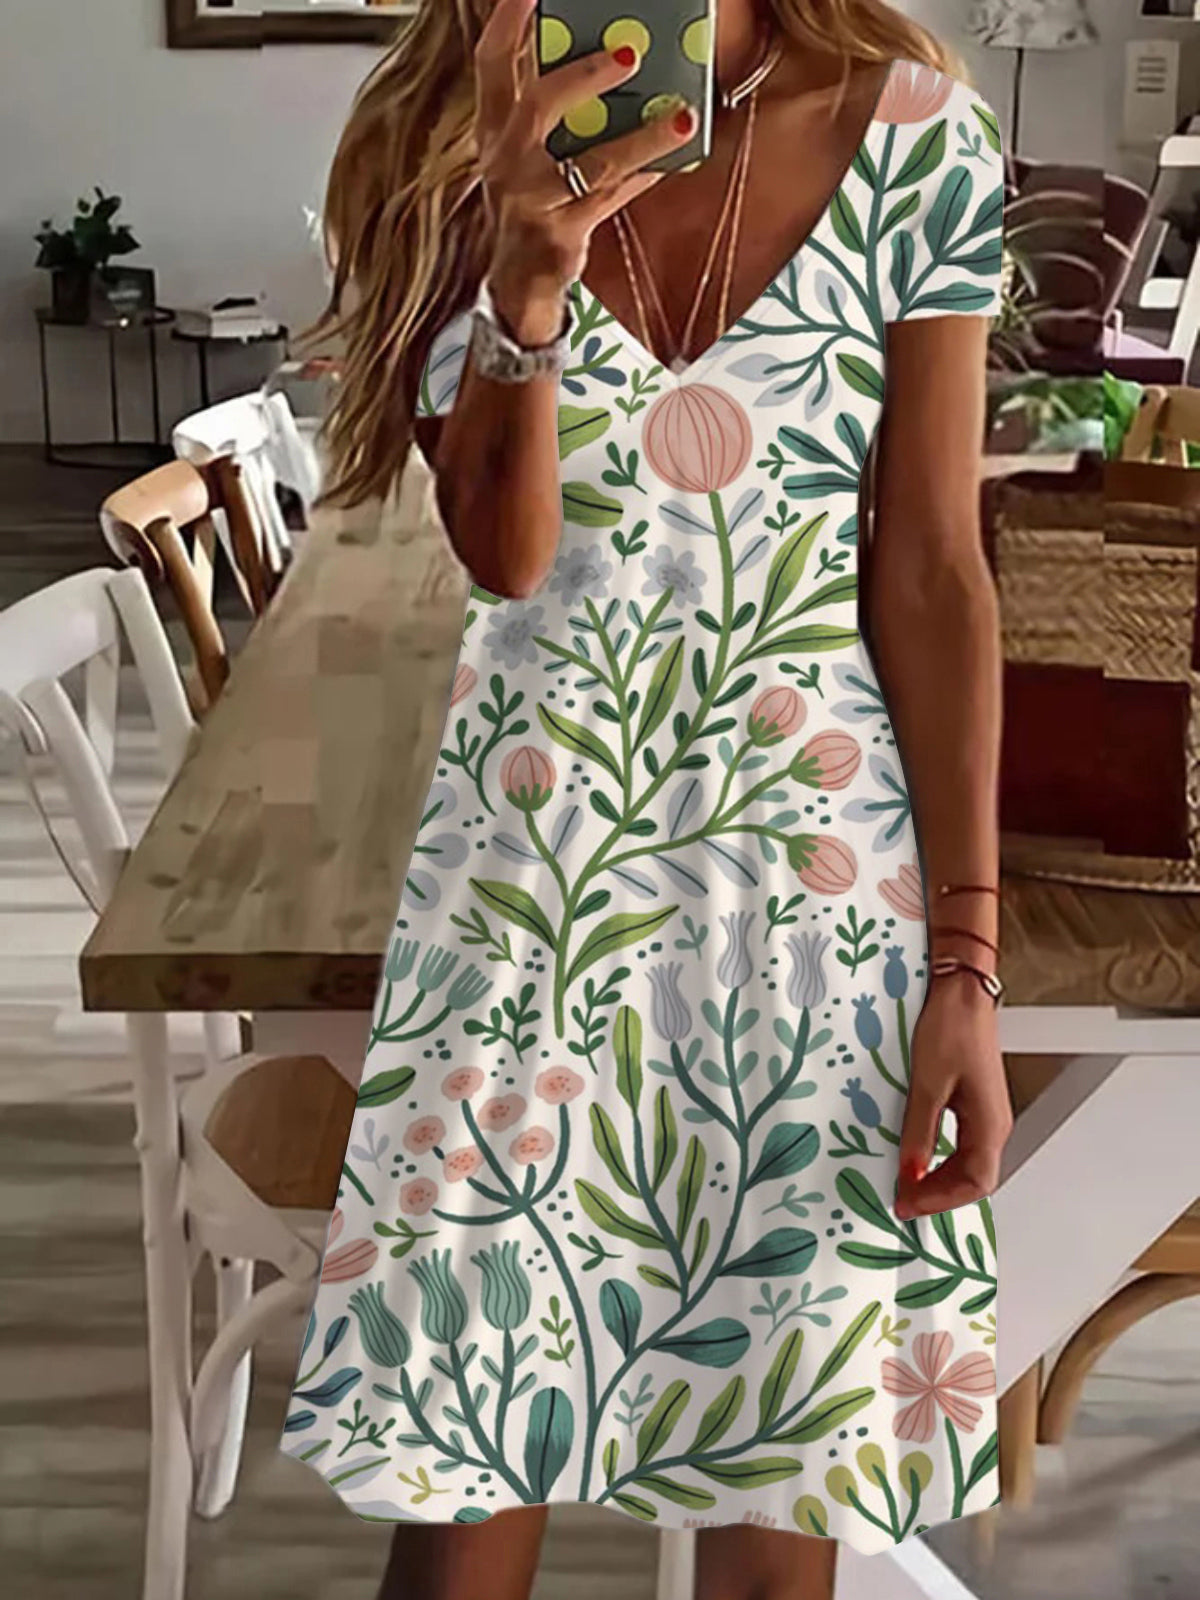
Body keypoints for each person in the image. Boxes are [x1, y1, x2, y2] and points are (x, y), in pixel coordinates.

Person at [282, 2, 1015, 1597]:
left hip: (813, 907)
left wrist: (967, 962)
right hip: (524, 900)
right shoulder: (449, 140)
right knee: (464, 1490)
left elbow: (932, 570)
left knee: (783, 1505)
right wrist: (528, 281)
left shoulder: (914, 135)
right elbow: (506, 558)